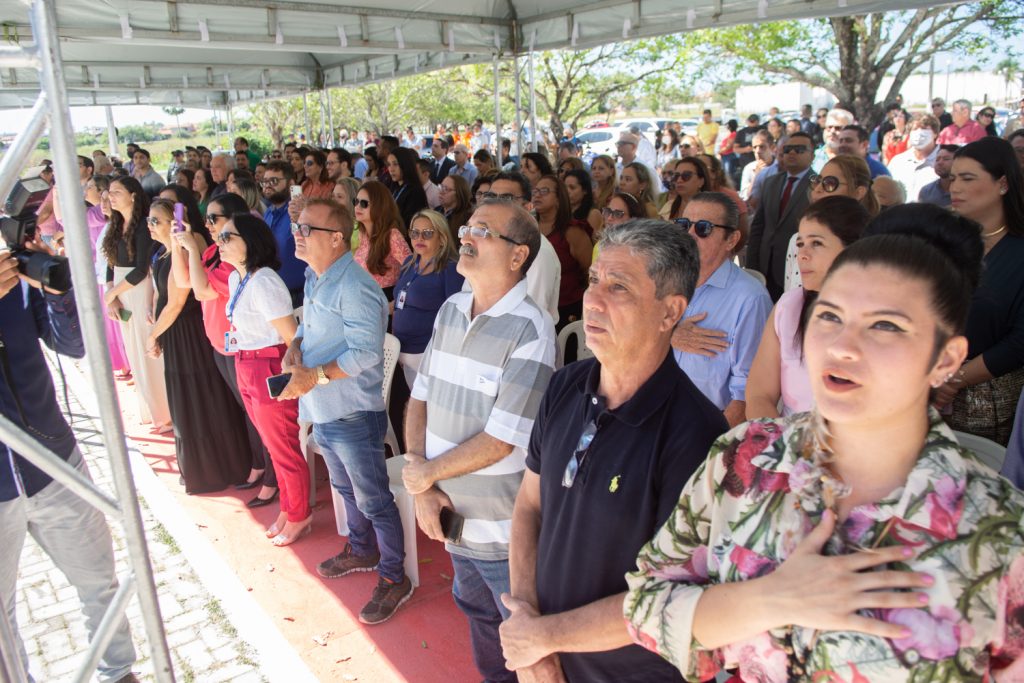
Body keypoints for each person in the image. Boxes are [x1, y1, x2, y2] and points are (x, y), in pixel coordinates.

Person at [626, 205, 1024, 681]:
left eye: (885, 326)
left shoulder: (999, 532)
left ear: (946, 359)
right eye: (830, 316)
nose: (842, 346)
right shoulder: (747, 458)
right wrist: (769, 600)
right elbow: (645, 604)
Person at [499, 220, 727, 683]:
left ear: (671, 312)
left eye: (618, 287)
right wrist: (528, 627)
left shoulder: (697, 433)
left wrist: (543, 638)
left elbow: (668, 597)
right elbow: (529, 505)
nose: (593, 300)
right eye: (594, 280)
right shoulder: (566, 385)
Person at [403, 199, 557, 683]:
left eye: (483, 231)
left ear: (517, 256)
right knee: (475, 612)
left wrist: (426, 475)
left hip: (499, 526)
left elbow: (501, 441)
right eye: (468, 226)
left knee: (522, 637)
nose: (466, 235)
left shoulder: (532, 330)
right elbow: (419, 399)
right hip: (451, 515)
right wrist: (423, 487)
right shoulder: (451, 308)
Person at [0, 252, 140, 683]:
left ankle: (118, 673)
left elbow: (74, 345)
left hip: (56, 463)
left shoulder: (15, 274)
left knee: (99, 582)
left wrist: (59, 293)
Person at [279, 198, 413, 624]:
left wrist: (313, 376)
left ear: (337, 238)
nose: (297, 235)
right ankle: (361, 549)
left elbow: (366, 355)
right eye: (297, 227)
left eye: (307, 230)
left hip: (353, 413)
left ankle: (395, 577)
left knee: (374, 500)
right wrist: (293, 351)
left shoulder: (354, 286)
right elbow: (306, 327)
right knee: (346, 489)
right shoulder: (316, 276)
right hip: (324, 408)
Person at [171, 192, 278, 506]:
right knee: (246, 413)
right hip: (220, 344)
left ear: (234, 220)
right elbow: (184, 281)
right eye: (207, 219)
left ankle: (273, 478)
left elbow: (202, 291)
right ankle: (258, 466)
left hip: (241, 348)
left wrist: (192, 245)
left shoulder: (234, 263)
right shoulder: (215, 254)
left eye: (214, 219)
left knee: (260, 417)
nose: (208, 225)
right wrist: (181, 246)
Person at [211, 213, 310, 545]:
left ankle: (298, 515)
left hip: (270, 366)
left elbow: (291, 339)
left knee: (283, 446)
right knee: (271, 444)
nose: (219, 243)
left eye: (228, 237)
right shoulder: (235, 278)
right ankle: (289, 507)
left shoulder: (264, 280)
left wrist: (290, 380)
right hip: (245, 364)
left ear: (249, 242)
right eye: (220, 237)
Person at [145, 199, 251, 493]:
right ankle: (199, 469)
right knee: (187, 403)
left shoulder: (197, 246)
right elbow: (164, 293)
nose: (151, 226)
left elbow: (180, 299)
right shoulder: (163, 252)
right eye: (149, 221)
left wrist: (153, 334)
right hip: (178, 334)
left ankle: (226, 467)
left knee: (205, 400)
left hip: (191, 334)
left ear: (174, 222)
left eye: (157, 221)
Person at [746, 196, 871, 419]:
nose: (802, 255)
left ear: (852, 249)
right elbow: (759, 394)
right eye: (800, 244)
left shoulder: (878, 317)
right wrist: (783, 449)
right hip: (788, 443)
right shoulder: (789, 306)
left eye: (816, 243)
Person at [938, 137, 1024, 444]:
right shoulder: (941, 240)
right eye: (953, 178)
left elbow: (1019, 341)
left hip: (987, 404)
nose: (955, 187)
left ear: (1002, 184)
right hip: (924, 391)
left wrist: (954, 380)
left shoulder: (1018, 251)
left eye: (967, 178)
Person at [671, 193, 771, 427]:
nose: (690, 235)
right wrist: (668, 336)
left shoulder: (750, 299)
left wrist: (710, 450)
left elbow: (746, 395)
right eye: (684, 225)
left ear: (731, 239)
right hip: (659, 418)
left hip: (706, 426)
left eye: (703, 228)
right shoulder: (665, 281)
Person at [101, 177, 171, 431]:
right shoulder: (115, 224)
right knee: (132, 350)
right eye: (110, 192)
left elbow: (141, 270)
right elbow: (111, 263)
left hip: (137, 291)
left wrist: (112, 294)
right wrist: (111, 293)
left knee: (147, 350)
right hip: (120, 291)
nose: (111, 196)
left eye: (117, 191)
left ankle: (163, 412)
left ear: (132, 195)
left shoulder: (142, 226)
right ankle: (149, 410)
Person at [783, 154, 878, 292]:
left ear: (859, 192)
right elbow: (789, 296)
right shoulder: (796, 241)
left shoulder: (874, 244)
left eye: (830, 184)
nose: (818, 189)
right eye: (817, 181)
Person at [392, 210, 465, 388]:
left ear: (442, 238)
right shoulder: (409, 262)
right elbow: (400, 303)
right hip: (401, 350)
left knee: (426, 411)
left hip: (427, 354)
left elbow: (456, 318)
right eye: (415, 233)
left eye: (428, 233)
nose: (419, 238)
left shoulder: (451, 269)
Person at [485, 172, 562, 325]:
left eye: (507, 199)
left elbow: (530, 318)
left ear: (528, 206)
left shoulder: (539, 253)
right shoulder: (487, 241)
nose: (497, 205)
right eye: (492, 197)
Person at [747, 131, 815, 299]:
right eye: (788, 149)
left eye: (799, 149)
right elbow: (758, 226)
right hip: (765, 266)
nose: (791, 153)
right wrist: (752, 265)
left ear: (812, 155)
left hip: (796, 268)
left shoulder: (817, 186)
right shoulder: (771, 182)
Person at [533, 175, 593, 329]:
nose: (538, 195)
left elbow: (589, 270)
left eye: (545, 191)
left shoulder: (572, 232)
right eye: (536, 191)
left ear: (559, 199)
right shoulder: (528, 227)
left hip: (567, 307)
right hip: (534, 304)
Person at [353, 181, 412, 300]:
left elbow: (412, 270)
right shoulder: (362, 234)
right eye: (355, 201)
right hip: (363, 299)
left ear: (379, 205)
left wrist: (396, 303)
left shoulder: (392, 235)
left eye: (364, 203)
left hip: (384, 300)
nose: (357, 207)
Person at [261, 160, 306, 306]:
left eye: (274, 181)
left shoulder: (300, 212)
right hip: (273, 294)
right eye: (265, 181)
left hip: (299, 295)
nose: (268, 185)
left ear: (291, 183)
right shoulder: (268, 212)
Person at [387, 147, 429, 231]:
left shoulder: (415, 191)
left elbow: (410, 222)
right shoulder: (394, 187)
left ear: (405, 164)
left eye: (395, 164)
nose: (391, 169)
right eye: (389, 164)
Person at [660, 156, 708, 221]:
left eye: (686, 175)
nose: (679, 180)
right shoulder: (669, 207)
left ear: (701, 181)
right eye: (676, 176)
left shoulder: (711, 209)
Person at [564, 168, 602, 234]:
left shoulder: (593, 214)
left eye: (572, 188)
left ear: (585, 190)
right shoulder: (561, 210)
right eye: (564, 187)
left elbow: (592, 242)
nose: (567, 191)